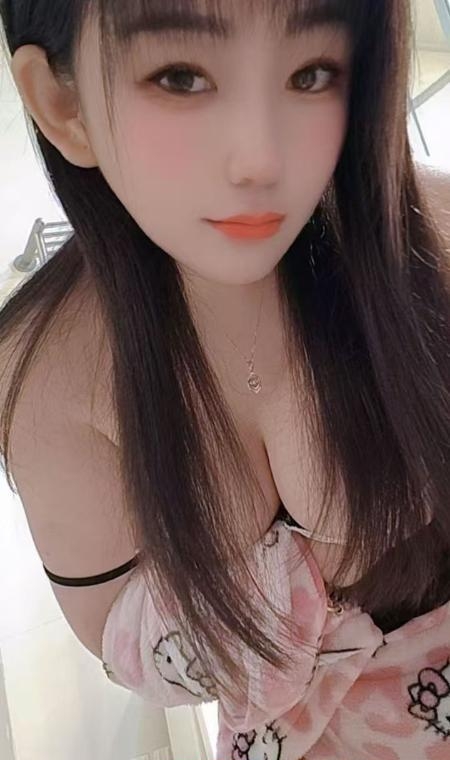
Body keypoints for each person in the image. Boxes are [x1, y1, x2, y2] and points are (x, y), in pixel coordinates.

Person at [0, 1, 449, 758]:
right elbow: (137, 655)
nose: (261, 159)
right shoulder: (48, 372)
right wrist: (318, 563)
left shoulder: (429, 231)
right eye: (181, 76)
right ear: (62, 103)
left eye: (312, 72)